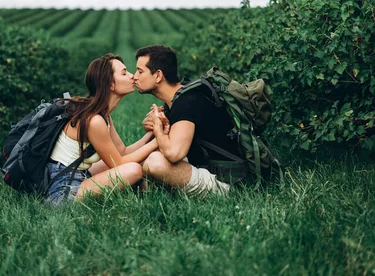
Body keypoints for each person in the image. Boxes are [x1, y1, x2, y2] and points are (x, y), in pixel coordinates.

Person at [45, 53, 158, 205]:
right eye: (124, 73)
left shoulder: (103, 115)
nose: (132, 76)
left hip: (79, 174)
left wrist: (152, 133)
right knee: (133, 170)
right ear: (110, 84)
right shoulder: (95, 120)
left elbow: (122, 152)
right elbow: (118, 164)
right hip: (63, 190)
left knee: (132, 161)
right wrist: (158, 140)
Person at [133, 45, 241, 198]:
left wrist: (158, 129)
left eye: (140, 71)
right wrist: (155, 127)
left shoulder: (186, 102)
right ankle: (145, 194)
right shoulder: (178, 99)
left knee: (154, 162)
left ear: (158, 76)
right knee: (147, 156)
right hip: (209, 168)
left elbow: (174, 153)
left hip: (228, 180)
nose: (134, 76)